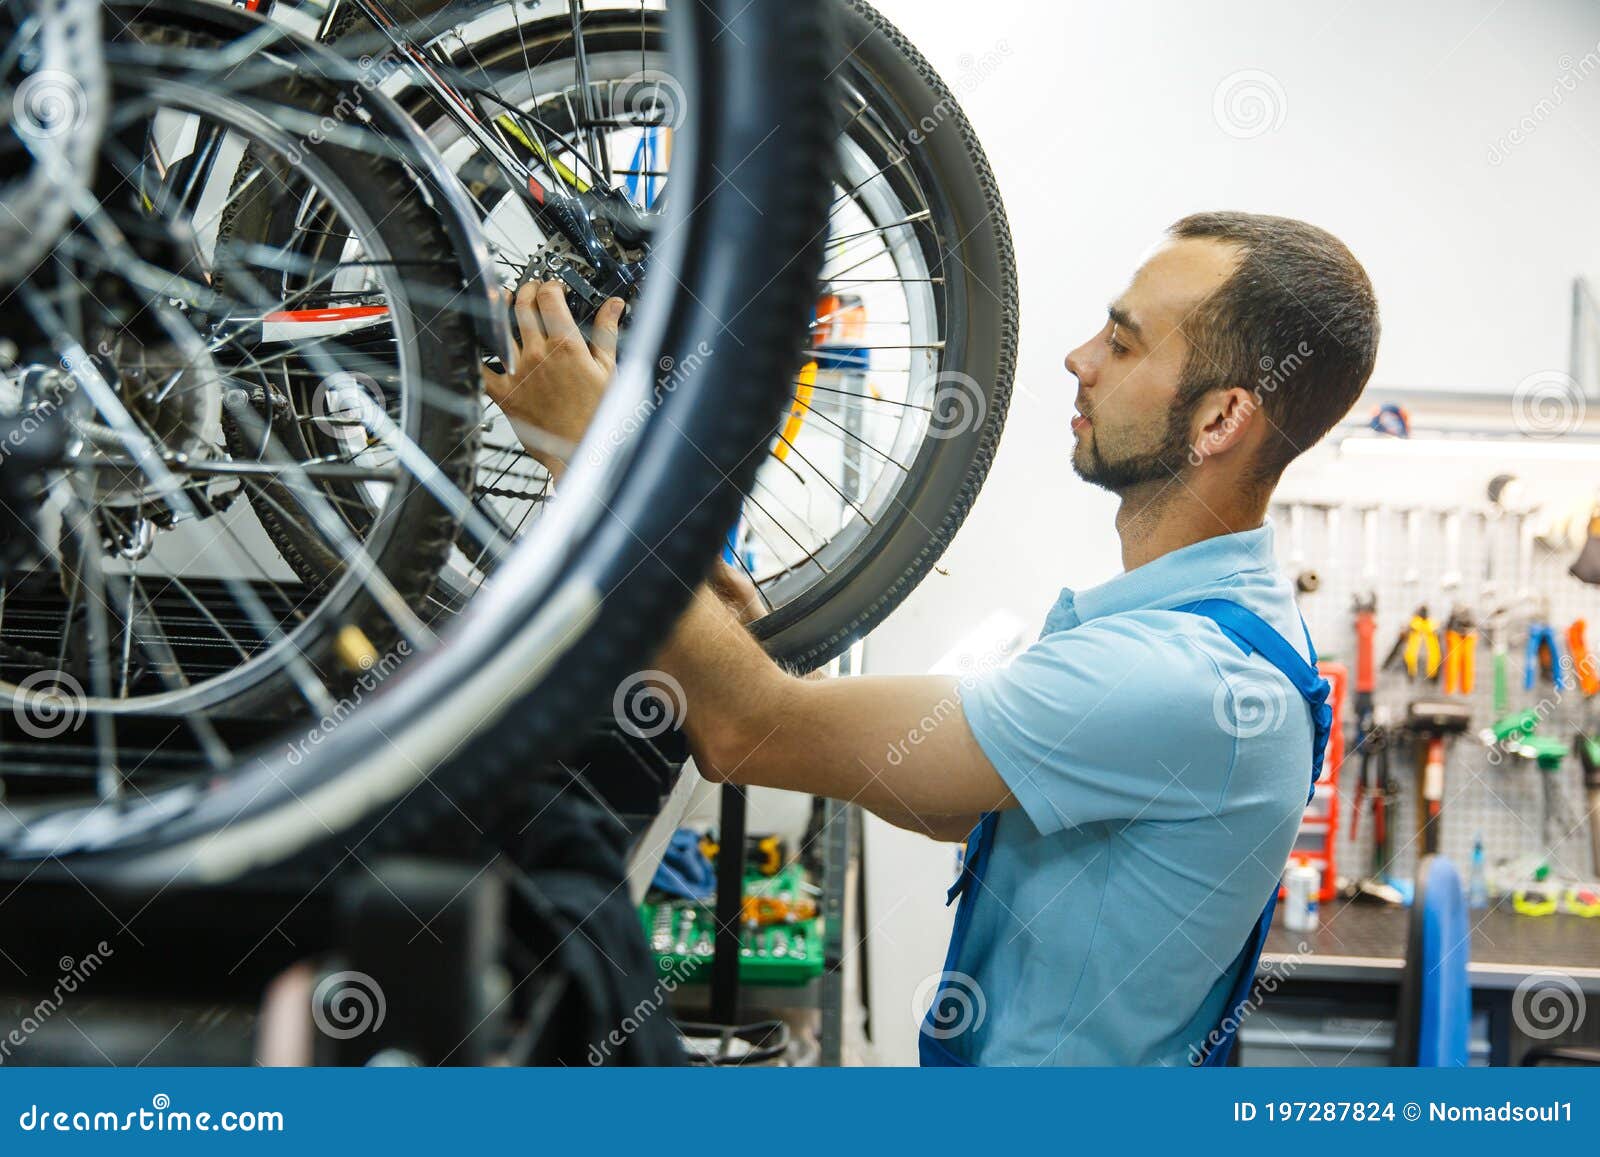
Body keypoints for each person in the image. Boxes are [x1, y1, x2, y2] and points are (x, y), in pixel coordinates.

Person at [482, 211, 1380, 1066]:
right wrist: (692, 595)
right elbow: (949, 799)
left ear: (1222, 419)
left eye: (1123, 340)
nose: (1079, 359)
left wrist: (593, 464)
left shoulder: (1180, 678)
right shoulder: (1210, 629)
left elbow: (745, 729)